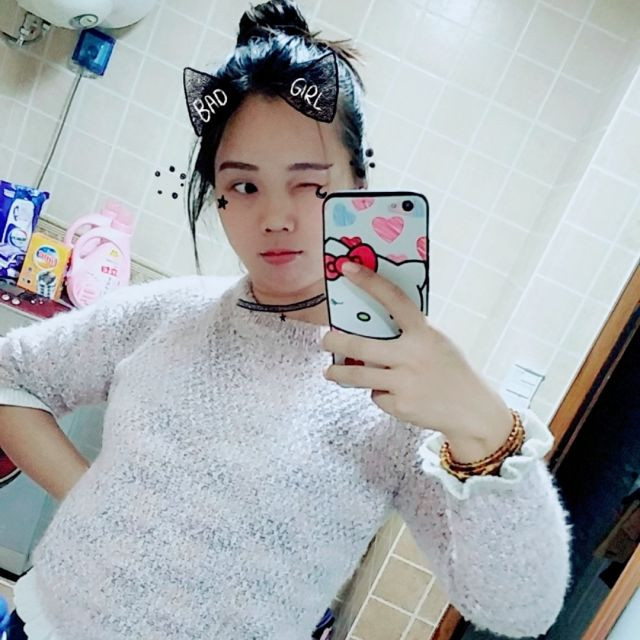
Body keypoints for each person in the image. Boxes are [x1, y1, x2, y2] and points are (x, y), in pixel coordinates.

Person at [0, 1, 573, 638]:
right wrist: (91, 498)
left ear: (358, 183)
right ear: (216, 195)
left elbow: (521, 611)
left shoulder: (394, 387)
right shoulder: (166, 313)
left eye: (309, 184)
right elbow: (10, 377)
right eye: (244, 186)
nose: (275, 218)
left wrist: (482, 424)